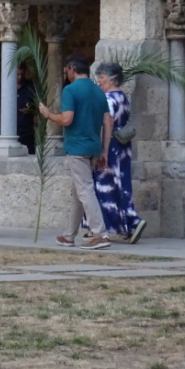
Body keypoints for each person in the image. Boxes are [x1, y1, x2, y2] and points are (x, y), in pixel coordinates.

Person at [39, 55, 113, 250]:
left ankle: (100, 234)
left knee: (85, 190)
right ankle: (69, 235)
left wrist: (47, 114)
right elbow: (107, 121)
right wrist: (104, 150)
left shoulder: (70, 90)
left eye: (66, 70)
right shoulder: (98, 91)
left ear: (72, 69)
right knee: (78, 191)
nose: (66, 74)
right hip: (94, 146)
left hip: (77, 147)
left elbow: (67, 119)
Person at [82, 62, 148, 244]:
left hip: (110, 147)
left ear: (112, 79)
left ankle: (115, 225)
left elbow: (107, 122)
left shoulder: (109, 99)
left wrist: (103, 150)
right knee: (120, 185)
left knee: (104, 188)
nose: (100, 81)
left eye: (102, 78)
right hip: (122, 147)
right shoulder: (122, 98)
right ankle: (127, 224)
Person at [0, 64, 35, 154]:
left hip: (26, 133)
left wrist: (30, 111)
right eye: (17, 74)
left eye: (21, 75)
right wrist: (3, 122)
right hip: (6, 135)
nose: (19, 77)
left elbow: (38, 107)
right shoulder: (2, 87)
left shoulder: (30, 87)